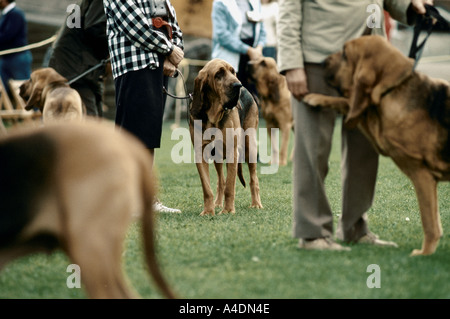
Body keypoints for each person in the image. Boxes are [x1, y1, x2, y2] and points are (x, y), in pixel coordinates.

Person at [277, 0, 433, 250]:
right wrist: (292, 63)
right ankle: (313, 233)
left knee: (365, 149)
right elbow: (288, 8)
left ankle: (355, 227)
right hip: (318, 57)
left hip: (369, 60)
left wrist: (410, 5)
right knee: (312, 148)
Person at [103, 0, 184, 213]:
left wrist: (173, 56)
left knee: (147, 136)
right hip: (133, 67)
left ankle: (145, 199)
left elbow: (172, 22)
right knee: (133, 136)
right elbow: (135, 27)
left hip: (158, 66)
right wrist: (168, 49)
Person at [48, 0, 109, 117]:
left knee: (93, 116)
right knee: (89, 120)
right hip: (77, 65)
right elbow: (95, 27)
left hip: (77, 61)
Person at [211, 0, 267, 92]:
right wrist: (248, 50)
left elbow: (262, 30)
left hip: (253, 55)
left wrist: (259, 48)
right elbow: (222, 35)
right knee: (231, 95)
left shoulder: (256, 2)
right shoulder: (220, 2)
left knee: (252, 96)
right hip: (230, 56)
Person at [0, 0, 32, 92]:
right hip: (6, 58)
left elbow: (8, 35)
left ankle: (33, 107)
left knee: (25, 89)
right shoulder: (5, 14)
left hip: (18, 59)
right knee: (2, 89)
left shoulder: (16, 14)